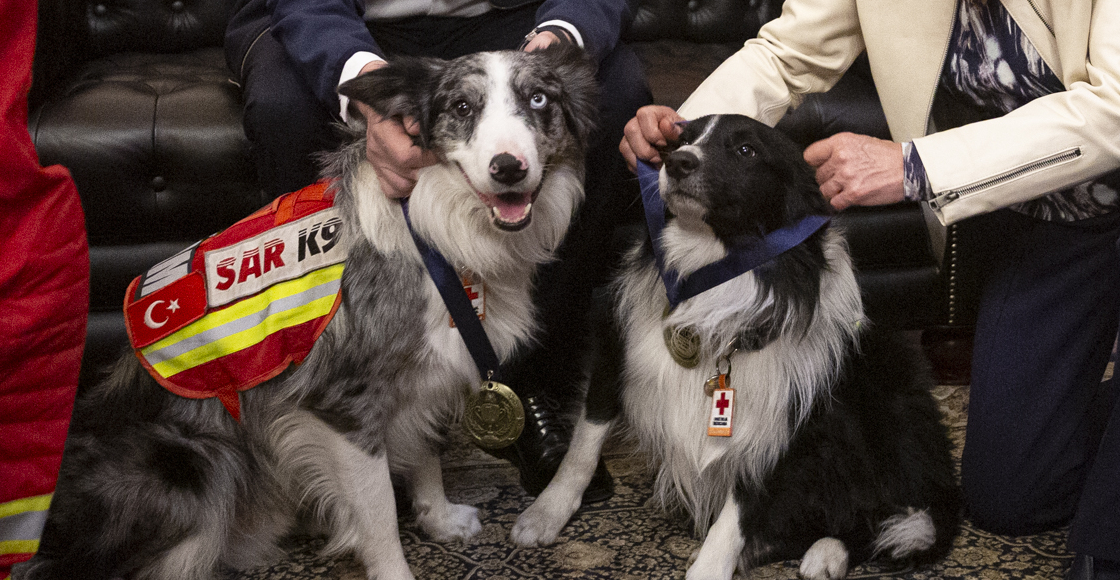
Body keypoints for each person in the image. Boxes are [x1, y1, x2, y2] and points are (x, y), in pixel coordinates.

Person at [620, 1, 1120, 578]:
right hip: (1053, 222)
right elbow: (787, 55)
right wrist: (679, 137)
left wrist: (915, 166)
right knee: (1012, 499)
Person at [224, 0, 651, 499]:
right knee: (284, 107)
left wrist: (562, 33)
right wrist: (372, 94)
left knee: (621, 89)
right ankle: (335, 377)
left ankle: (529, 382)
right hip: (344, 23)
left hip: (515, 21)